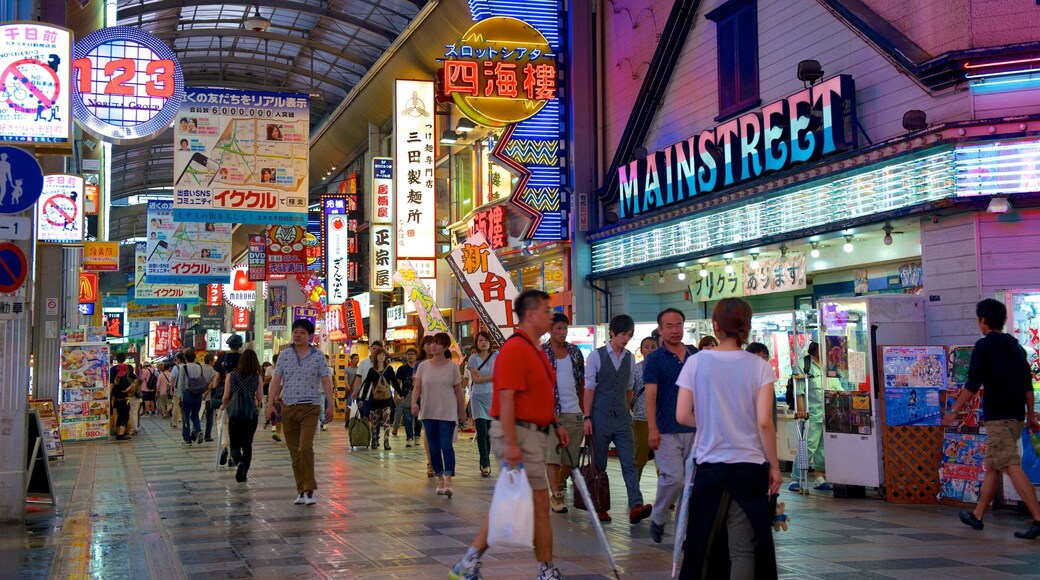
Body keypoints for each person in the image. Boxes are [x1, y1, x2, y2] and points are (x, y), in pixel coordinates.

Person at [450, 290, 569, 580]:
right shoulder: (515, 349)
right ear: (530, 315)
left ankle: (468, 563)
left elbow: (538, 393)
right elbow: (506, 399)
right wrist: (512, 444)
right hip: (519, 432)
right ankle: (546, 570)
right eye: (546, 310)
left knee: (509, 504)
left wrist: (555, 423)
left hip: (535, 432)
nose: (551, 315)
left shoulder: (535, 349)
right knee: (538, 504)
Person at [675, 298, 781, 578]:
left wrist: (711, 421)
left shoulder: (695, 363)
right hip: (749, 467)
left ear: (715, 325)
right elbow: (763, 422)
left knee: (702, 543)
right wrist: (774, 466)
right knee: (744, 549)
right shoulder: (759, 367)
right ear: (747, 327)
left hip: (710, 466)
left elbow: (683, 415)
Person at [945, 298, 1040, 539]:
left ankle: (1039, 517)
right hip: (1016, 418)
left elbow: (973, 383)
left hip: (998, 417)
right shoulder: (1017, 348)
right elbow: (1028, 386)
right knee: (992, 466)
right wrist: (1030, 416)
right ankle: (977, 516)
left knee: (1009, 464)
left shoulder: (984, 346)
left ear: (983, 320)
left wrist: (953, 410)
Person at [584, 314, 653, 525]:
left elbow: (629, 388)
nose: (625, 339)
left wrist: (627, 410)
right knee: (599, 464)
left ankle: (636, 505)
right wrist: (587, 417)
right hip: (599, 416)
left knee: (629, 462)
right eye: (622, 334)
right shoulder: (596, 357)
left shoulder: (630, 358)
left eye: (629, 335)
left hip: (622, 417)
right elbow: (589, 389)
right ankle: (600, 506)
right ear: (612, 333)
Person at [644, 307, 699, 543]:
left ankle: (685, 534)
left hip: (695, 428)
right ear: (660, 329)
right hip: (666, 429)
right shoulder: (654, 359)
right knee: (674, 478)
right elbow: (650, 396)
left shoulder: (695, 355)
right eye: (669, 326)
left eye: (678, 325)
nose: (675, 330)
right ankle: (658, 515)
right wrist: (652, 429)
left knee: (691, 484)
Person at [267, 319, 334, 505]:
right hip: (288, 407)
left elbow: (326, 381)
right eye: (295, 331)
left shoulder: (318, 356)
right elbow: (276, 381)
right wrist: (270, 404)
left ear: (310, 336)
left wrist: (330, 404)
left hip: (310, 408)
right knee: (294, 452)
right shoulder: (284, 356)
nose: (298, 335)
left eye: (302, 332)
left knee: (305, 447)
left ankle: (310, 489)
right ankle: (301, 490)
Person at [542, 313, 586, 515]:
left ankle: (557, 486)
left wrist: (585, 411)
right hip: (551, 414)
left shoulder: (575, 352)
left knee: (571, 460)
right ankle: (556, 496)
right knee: (553, 458)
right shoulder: (542, 353)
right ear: (550, 330)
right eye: (558, 328)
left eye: (564, 328)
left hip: (574, 411)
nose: (562, 332)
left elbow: (582, 382)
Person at [412, 333, 465, 495]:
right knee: (433, 448)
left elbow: (458, 391)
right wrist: (414, 403)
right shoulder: (423, 366)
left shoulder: (453, 367)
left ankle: (448, 480)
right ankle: (440, 479)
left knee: (446, 446)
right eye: (432, 343)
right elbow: (417, 387)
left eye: (437, 343)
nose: (432, 346)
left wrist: (462, 411)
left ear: (445, 347)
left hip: (447, 412)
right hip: (428, 411)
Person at [220, 348, 264, 483]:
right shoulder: (257, 377)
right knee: (247, 444)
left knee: (234, 444)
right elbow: (260, 397)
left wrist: (223, 406)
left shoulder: (231, 376)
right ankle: (245, 469)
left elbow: (226, 396)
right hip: (250, 414)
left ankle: (239, 463)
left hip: (235, 414)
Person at [791, 342, 829, 492]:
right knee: (807, 447)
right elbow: (799, 391)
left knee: (823, 450)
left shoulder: (830, 365)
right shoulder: (804, 364)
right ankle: (796, 478)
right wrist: (801, 411)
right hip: (811, 414)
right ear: (815, 348)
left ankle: (820, 477)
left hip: (828, 414)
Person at [355, 349, 399, 450]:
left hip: (387, 399)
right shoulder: (372, 370)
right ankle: (374, 439)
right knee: (375, 422)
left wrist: (401, 393)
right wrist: (362, 399)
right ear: (376, 357)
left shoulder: (389, 369)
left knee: (387, 422)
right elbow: (366, 386)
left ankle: (386, 441)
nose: (381, 357)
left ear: (385, 357)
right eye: (379, 355)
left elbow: (394, 382)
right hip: (374, 400)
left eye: (383, 355)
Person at [467, 332, 497, 477]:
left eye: (486, 340)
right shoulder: (473, 358)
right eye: (480, 340)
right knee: (482, 431)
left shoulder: (496, 357)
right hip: (477, 397)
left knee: (490, 433)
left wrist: (483, 377)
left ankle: (485, 461)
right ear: (476, 343)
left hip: (492, 398)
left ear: (490, 342)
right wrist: (490, 377)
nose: (483, 342)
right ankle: (485, 464)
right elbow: (476, 380)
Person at [632, 336, 658, 482]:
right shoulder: (636, 369)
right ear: (641, 350)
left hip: (660, 418)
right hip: (641, 419)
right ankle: (635, 493)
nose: (649, 350)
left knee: (662, 460)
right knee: (639, 458)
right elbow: (630, 390)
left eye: (653, 347)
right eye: (646, 347)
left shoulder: (662, 368)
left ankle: (665, 494)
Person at [216, 336, 243, 463]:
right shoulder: (244, 359)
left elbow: (217, 378)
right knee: (237, 426)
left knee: (222, 422)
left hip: (226, 396)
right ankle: (234, 454)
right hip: (242, 397)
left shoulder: (223, 358)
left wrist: (214, 389)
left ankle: (224, 446)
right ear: (240, 345)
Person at [177, 348, 209, 448]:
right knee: (195, 415)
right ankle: (198, 430)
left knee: (185, 416)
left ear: (185, 358)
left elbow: (181, 383)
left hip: (187, 394)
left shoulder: (184, 368)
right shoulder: (199, 367)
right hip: (198, 394)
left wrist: (179, 396)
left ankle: (187, 439)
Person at [394, 348, 419, 447]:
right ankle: (409, 438)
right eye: (408, 354)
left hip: (419, 396)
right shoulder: (402, 369)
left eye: (412, 354)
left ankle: (417, 436)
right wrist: (396, 396)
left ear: (416, 356)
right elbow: (397, 383)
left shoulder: (419, 368)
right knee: (408, 418)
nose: (410, 356)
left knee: (418, 419)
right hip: (406, 396)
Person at [110, 353, 136, 440]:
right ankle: (121, 434)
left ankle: (118, 432)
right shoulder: (124, 379)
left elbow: (112, 384)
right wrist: (130, 387)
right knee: (124, 416)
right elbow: (126, 389)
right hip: (123, 399)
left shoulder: (113, 370)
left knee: (118, 416)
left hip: (116, 398)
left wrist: (110, 395)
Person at [200, 353, 221, 442]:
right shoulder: (214, 372)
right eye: (213, 361)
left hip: (197, 396)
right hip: (208, 397)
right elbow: (212, 385)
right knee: (209, 417)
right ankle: (207, 435)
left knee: (197, 416)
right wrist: (206, 393)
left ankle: (196, 431)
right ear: (210, 361)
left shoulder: (199, 369)